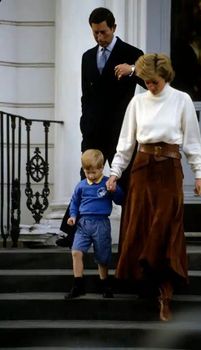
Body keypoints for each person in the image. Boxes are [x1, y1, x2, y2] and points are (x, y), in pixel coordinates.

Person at [106, 53, 201, 321]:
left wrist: (199, 173)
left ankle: (166, 291)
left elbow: (193, 140)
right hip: (141, 168)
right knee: (141, 224)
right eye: (147, 82)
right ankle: (146, 283)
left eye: (155, 82)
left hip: (169, 169)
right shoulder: (137, 102)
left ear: (166, 77)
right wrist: (115, 172)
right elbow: (126, 143)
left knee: (166, 225)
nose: (150, 86)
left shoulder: (181, 100)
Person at [56, 7, 144, 248]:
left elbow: (152, 81)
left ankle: (134, 236)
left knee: (124, 181)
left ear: (114, 28)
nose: (99, 37)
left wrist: (133, 70)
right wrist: (85, 123)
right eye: (95, 33)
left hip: (120, 131)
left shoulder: (132, 53)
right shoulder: (87, 56)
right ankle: (72, 232)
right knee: (87, 179)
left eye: (103, 32)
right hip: (93, 130)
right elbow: (86, 96)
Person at [65, 149, 124, 300]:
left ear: (101, 168)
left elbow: (119, 199)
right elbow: (74, 203)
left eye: (94, 172)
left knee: (102, 257)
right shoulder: (81, 186)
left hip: (101, 223)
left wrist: (115, 189)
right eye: (87, 172)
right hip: (83, 223)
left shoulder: (107, 183)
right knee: (76, 252)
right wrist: (73, 216)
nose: (90, 176)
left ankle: (105, 285)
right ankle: (78, 285)